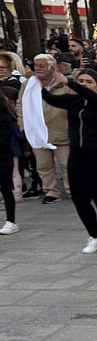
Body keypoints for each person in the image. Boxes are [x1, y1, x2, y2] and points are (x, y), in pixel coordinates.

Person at [41, 69, 97, 255]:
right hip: (77, 155)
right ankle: (94, 236)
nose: (84, 84)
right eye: (81, 81)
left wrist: (70, 82)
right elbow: (49, 98)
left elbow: (88, 95)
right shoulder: (74, 101)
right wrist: (41, 81)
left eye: (89, 81)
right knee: (80, 198)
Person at [17, 54, 72, 204]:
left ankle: (73, 189)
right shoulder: (28, 84)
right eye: (36, 65)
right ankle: (51, 191)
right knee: (43, 165)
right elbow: (20, 106)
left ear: (52, 67)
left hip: (61, 131)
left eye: (41, 66)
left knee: (67, 164)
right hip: (37, 132)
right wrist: (23, 125)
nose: (38, 69)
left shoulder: (63, 83)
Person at [0, 88, 19, 235]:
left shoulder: (5, 117)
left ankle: (11, 221)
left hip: (3, 158)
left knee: (6, 189)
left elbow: (4, 141)